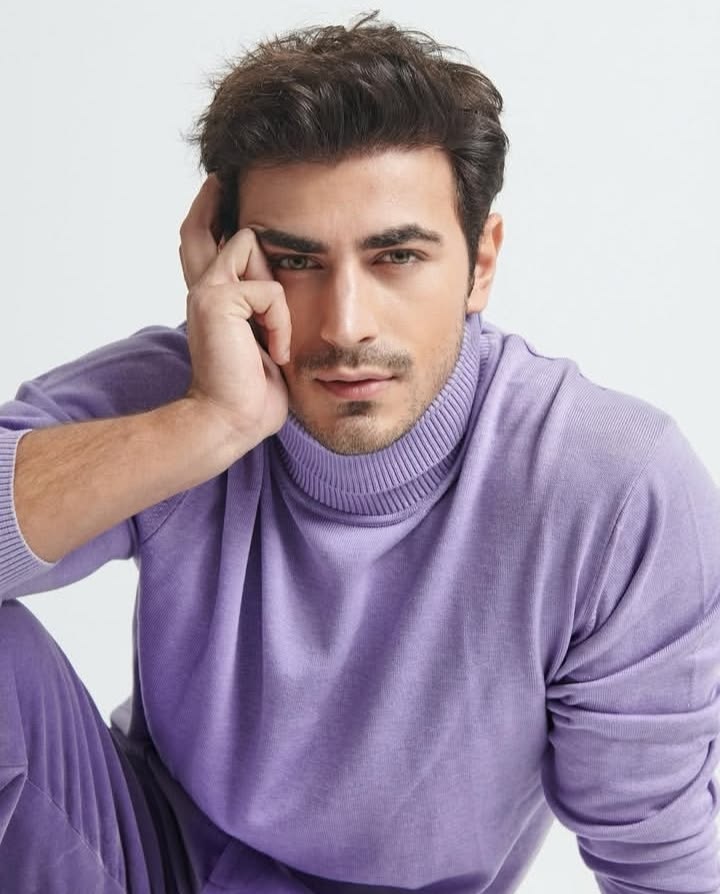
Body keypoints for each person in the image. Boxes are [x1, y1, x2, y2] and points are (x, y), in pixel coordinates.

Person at [1, 9, 719, 894]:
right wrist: (208, 424)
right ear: (226, 259)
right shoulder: (188, 390)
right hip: (141, 862)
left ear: (481, 262)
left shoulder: (611, 489)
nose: (345, 326)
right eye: (296, 262)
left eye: (397, 256)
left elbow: (660, 868)